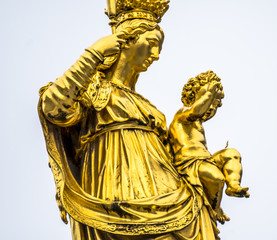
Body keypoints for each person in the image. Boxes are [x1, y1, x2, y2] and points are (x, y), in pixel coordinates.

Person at [38, 16, 220, 240]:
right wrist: (93, 54)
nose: (156, 55)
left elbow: (181, 156)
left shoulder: (151, 109)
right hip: (112, 196)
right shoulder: (94, 90)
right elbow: (53, 106)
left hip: (171, 197)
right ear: (127, 41)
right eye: (151, 43)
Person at [169, 71, 250, 224]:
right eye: (208, 100)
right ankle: (214, 209)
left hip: (204, 159)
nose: (212, 106)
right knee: (217, 178)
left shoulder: (197, 123)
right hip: (188, 162)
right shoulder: (182, 114)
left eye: (215, 103)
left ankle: (233, 185)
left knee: (232, 153)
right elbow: (196, 110)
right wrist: (209, 93)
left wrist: (211, 95)